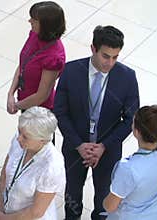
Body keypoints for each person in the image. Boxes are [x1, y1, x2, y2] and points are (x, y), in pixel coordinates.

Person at [54, 25, 140, 220]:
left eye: (115, 57)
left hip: (108, 151)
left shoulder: (127, 77)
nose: (110, 62)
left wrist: (104, 146)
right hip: (75, 148)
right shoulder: (71, 71)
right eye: (105, 56)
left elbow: (130, 119)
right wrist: (78, 144)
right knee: (73, 194)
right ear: (93, 48)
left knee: (103, 198)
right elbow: (60, 111)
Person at [0, 106, 66, 220]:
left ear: (43, 140)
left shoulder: (52, 166)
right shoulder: (20, 140)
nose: (19, 138)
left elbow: (36, 212)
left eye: (25, 137)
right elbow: (4, 175)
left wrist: (4, 219)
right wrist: (1, 209)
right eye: (19, 132)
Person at [103, 105, 157, 219]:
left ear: (137, 131)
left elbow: (110, 206)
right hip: (153, 214)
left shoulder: (128, 169)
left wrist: (104, 202)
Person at [7, 1, 66, 114]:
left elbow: (41, 95)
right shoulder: (35, 35)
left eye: (34, 19)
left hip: (39, 111)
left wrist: (16, 106)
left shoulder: (54, 57)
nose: (30, 21)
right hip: (25, 102)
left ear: (46, 25)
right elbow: (23, 64)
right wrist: (10, 93)